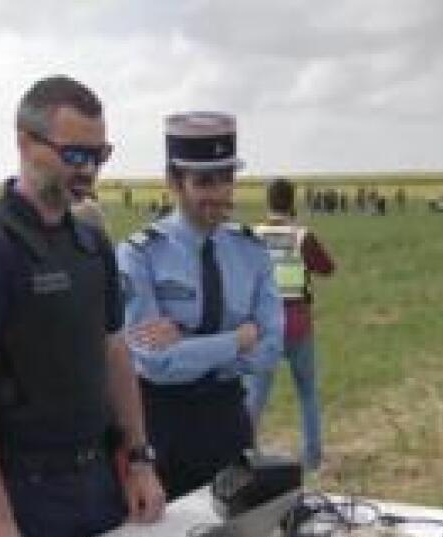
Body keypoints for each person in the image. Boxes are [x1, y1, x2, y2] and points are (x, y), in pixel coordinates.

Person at [0, 75, 165, 537]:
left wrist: (140, 458)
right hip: (23, 494)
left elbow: (114, 353)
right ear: (24, 143)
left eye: (99, 155)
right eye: (74, 155)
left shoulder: (90, 243)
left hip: (98, 482)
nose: (89, 171)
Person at [119, 112, 284, 500]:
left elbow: (271, 348)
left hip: (229, 419)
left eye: (227, 179)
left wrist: (187, 344)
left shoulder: (251, 250)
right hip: (163, 427)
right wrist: (237, 340)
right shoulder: (139, 255)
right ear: (173, 182)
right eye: (204, 181)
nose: (220, 193)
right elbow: (155, 364)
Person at [245, 178, 336, 471]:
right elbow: (327, 268)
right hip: (298, 324)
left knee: (255, 396)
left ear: (268, 202)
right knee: (307, 393)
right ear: (292, 202)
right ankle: (312, 459)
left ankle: (245, 453)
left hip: (264, 327)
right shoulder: (302, 236)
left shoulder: (253, 235)